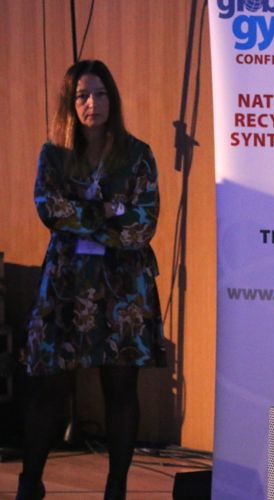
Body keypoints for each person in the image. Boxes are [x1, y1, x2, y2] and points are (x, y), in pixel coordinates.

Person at [17, 60, 163, 500]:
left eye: (100, 94)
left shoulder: (137, 154)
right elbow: (50, 210)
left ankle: (115, 489)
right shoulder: (53, 155)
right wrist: (110, 212)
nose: (92, 103)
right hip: (68, 283)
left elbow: (143, 224)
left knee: (120, 389)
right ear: (70, 102)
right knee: (50, 388)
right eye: (82, 95)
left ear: (112, 100)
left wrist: (83, 216)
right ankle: (29, 484)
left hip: (124, 288)